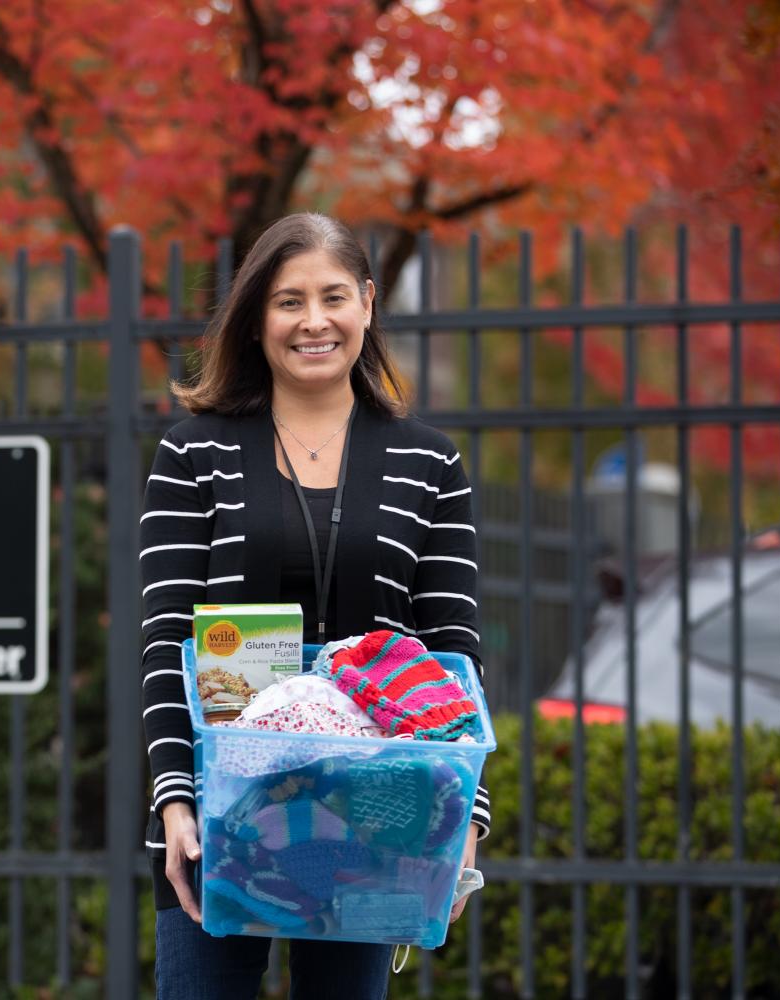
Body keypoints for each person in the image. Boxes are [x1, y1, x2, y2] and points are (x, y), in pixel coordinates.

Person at [139, 213, 490, 999]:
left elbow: (453, 654)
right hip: (221, 806)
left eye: (333, 297)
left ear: (367, 303)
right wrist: (173, 803)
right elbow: (166, 643)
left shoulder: (430, 463)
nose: (313, 321)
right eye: (288, 301)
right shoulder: (191, 454)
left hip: (377, 815)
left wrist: (467, 819)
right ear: (257, 318)